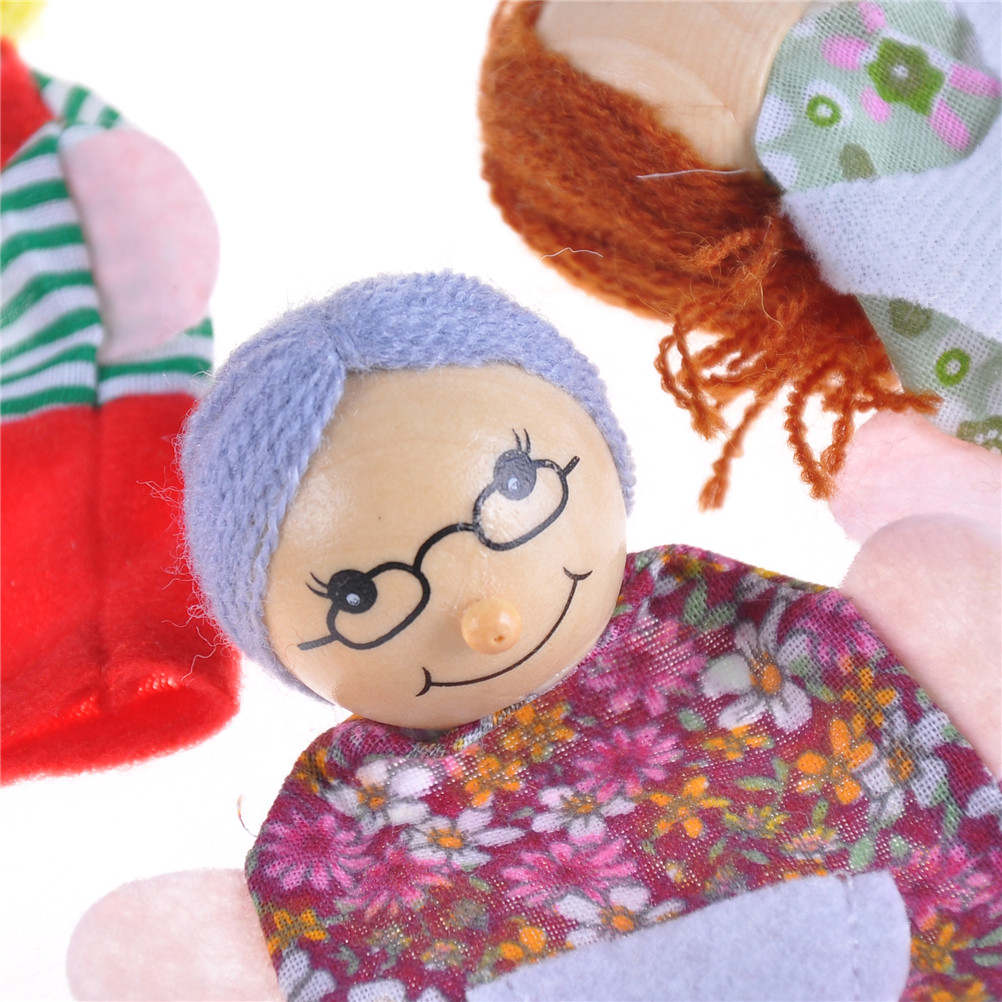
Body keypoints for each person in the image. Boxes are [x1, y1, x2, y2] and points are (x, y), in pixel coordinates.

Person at [156, 272, 998, 1001]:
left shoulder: (732, 629)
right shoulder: (346, 828)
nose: (487, 620)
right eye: (361, 595)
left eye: (517, 486)